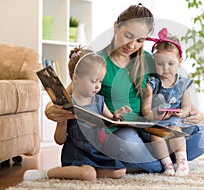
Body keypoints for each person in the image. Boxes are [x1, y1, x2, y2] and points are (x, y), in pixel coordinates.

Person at [44, 4, 204, 176]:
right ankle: (159, 162)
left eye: (140, 40)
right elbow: (65, 96)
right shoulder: (97, 62)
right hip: (119, 134)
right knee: (138, 151)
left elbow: (173, 89)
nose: (132, 45)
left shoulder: (150, 61)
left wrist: (195, 113)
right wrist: (50, 111)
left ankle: (150, 161)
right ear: (116, 26)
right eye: (128, 36)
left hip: (151, 129)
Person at [24, 47, 132, 181]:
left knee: (119, 171)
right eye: (93, 81)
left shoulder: (99, 101)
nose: (98, 86)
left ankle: (84, 172)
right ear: (75, 79)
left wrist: (117, 115)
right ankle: (48, 173)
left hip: (97, 152)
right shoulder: (68, 105)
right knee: (88, 174)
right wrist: (62, 121)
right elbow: (59, 140)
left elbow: (110, 122)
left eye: (100, 81)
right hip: (77, 154)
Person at [142, 28, 193, 176]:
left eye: (170, 64)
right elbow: (146, 110)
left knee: (176, 133)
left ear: (180, 62)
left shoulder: (183, 83)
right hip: (156, 123)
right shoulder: (151, 82)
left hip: (174, 121)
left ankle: (182, 163)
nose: (165, 69)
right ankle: (167, 165)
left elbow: (187, 105)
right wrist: (154, 115)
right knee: (156, 137)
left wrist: (182, 112)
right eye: (160, 64)